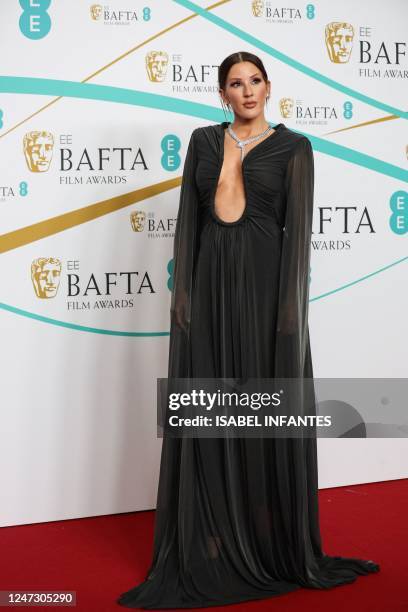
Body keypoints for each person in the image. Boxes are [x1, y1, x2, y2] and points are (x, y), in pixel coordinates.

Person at [117, 50, 380, 609]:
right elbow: (189, 222)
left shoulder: (294, 148)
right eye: (235, 84)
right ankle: (210, 541)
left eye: (255, 81)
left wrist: (290, 316)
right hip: (209, 289)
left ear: (268, 85)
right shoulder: (203, 143)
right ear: (222, 94)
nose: (247, 91)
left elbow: (298, 236)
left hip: (264, 293)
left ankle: (268, 543)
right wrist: (182, 300)